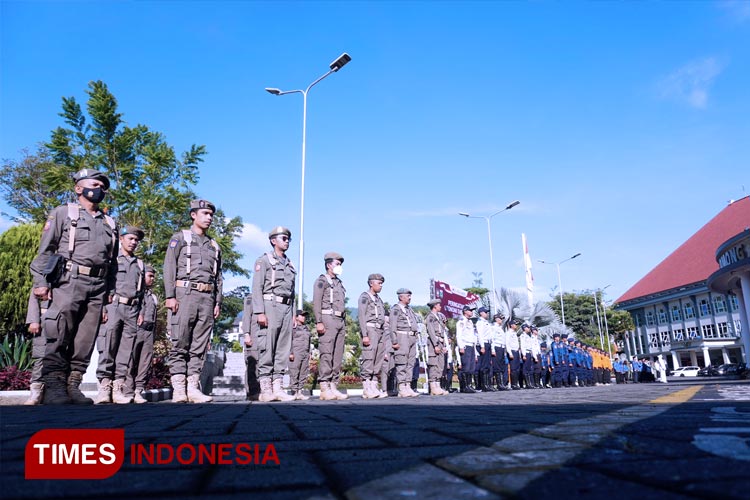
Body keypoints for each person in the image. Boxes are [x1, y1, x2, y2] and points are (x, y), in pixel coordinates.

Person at [30, 168, 118, 405]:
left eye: (103, 186)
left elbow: (113, 262)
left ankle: (73, 385)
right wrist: (41, 282)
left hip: (98, 286)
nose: (100, 189)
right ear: (79, 188)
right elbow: (45, 251)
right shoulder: (63, 213)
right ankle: (54, 387)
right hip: (69, 280)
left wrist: (110, 291)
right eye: (95, 184)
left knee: (85, 339)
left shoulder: (109, 221)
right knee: (59, 332)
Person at [164, 199, 222, 403]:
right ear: (193, 215)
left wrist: (217, 302)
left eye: (211, 215)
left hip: (207, 298)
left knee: (200, 344)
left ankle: (193, 387)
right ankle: (179, 388)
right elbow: (169, 267)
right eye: (205, 213)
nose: (209, 218)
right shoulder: (180, 238)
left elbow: (218, 277)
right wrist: (170, 296)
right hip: (184, 294)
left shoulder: (214, 245)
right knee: (180, 341)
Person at [95, 226, 145, 404]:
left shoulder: (140, 264)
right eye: (130, 238)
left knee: (125, 351)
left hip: (132, 310)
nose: (133, 242)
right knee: (108, 346)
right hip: (113, 306)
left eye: (136, 240)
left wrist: (141, 311)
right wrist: (101, 307)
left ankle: (118, 388)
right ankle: (104, 387)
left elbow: (142, 292)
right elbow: (102, 284)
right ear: (121, 239)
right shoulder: (112, 260)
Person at [251, 226, 296, 402]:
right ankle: (266, 389)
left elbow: (292, 293)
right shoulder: (264, 260)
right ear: (273, 240)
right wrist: (259, 312)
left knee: (282, 349)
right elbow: (257, 287)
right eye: (283, 238)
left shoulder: (289, 264)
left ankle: (278, 386)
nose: (286, 241)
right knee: (267, 347)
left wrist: (292, 313)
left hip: (286, 308)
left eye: (288, 239)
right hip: (270, 305)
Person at [313, 252, 348, 400]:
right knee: (327, 353)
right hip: (328, 318)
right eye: (337, 264)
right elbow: (317, 302)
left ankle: (334, 385)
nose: (340, 267)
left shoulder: (339, 283)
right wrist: (318, 321)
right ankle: (324, 386)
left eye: (340, 264)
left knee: (337, 355)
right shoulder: (322, 281)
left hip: (340, 320)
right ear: (329, 265)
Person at [126, 265, 158, 404]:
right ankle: (128, 390)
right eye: (150, 276)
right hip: (136, 329)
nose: (152, 279)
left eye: (153, 276)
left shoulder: (153, 297)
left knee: (144, 362)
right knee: (130, 360)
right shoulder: (135, 293)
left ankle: (138, 390)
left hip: (149, 331)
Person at [357, 273, 389, 399]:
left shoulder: (378, 299)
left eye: (381, 283)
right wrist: (364, 334)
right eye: (379, 283)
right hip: (370, 329)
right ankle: (366, 388)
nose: (381, 286)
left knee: (378, 359)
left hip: (380, 330)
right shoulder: (365, 297)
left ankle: (374, 386)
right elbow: (362, 316)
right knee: (369, 357)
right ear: (371, 283)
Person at [390, 288, 420, 397]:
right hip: (402, 337)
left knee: (410, 362)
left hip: (411, 337)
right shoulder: (396, 309)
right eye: (408, 296)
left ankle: (408, 385)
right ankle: (402, 387)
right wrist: (394, 341)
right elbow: (392, 326)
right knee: (401, 362)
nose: (410, 298)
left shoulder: (409, 309)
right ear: (401, 297)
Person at [23, 289, 49, 405]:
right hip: (44, 321)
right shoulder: (44, 274)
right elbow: (34, 294)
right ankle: (36, 389)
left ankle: (56, 390)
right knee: (40, 356)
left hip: (63, 321)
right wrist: (34, 320)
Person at [425, 299, 448, 396]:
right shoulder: (430, 317)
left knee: (440, 365)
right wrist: (435, 344)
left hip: (441, 342)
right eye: (439, 305)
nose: (440, 307)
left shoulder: (439, 317)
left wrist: (444, 345)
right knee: (433, 364)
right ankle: (433, 387)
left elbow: (443, 332)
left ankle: (438, 385)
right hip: (434, 342)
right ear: (434, 306)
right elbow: (431, 331)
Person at [288, 309, 311, 400]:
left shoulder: (306, 328)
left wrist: (309, 353)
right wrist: (290, 353)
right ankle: (294, 392)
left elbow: (309, 341)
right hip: (296, 353)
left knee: (303, 373)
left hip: (305, 353)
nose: (304, 317)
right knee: (294, 372)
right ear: (296, 317)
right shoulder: (292, 328)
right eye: (302, 315)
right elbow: (288, 341)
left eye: (304, 316)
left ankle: (300, 392)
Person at [241, 293, 260, 401]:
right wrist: (246, 334)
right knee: (252, 366)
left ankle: (257, 391)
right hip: (252, 337)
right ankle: (251, 392)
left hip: (261, 339)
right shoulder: (251, 298)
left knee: (259, 366)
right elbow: (246, 317)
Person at [456, 305, 478, 393]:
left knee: (471, 367)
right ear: (465, 311)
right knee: (466, 367)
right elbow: (459, 335)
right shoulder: (461, 322)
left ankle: (469, 385)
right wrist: (461, 346)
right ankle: (464, 386)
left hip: (471, 346)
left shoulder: (470, 322)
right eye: (470, 310)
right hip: (465, 346)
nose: (472, 312)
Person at [475, 307, 494, 392]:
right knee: (483, 366)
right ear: (481, 313)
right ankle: (484, 385)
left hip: (488, 343)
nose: (487, 313)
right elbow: (480, 335)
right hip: (484, 344)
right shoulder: (480, 323)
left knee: (487, 366)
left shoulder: (486, 322)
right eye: (486, 312)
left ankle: (487, 384)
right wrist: (482, 346)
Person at [490, 313, 508, 391]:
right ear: (496, 319)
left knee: (500, 366)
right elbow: (492, 339)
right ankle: (498, 384)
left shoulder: (500, 328)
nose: (501, 320)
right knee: (496, 367)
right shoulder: (493, 328)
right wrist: (493, 350)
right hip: (496, 347)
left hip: (501, 348)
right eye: (500, 319)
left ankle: (501, 384)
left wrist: (504, 351)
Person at [506, 319, 522, 390]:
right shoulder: (508, 333)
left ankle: (516, 383)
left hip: (516, 351)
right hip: (512, 351)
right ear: (511, 325)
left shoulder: (514, 333)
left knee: (517, 368)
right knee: (513, 369)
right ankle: (513, 384)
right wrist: (510, 353)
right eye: (515, 324)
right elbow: (507, 343)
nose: (516, 326)